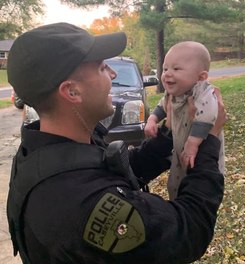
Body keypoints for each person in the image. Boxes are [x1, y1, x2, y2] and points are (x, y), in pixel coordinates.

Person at [6, 23, 226, 264]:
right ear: (72, 92)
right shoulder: (83, 202)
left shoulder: (46, 151)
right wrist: (209, 140)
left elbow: (116, 170)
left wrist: (170, 135)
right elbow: (189, 230)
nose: (112, 74)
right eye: (102, 67)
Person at [145, 41, 225, 200]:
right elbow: (162, 106)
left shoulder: (204, 93)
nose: (167, 73)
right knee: (175, 184)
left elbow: (208, 115)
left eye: (176, 69)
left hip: (203, 153)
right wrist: (152, 120)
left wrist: (193, 143)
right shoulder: (173, 93)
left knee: (198, 188)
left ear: (201, 77)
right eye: (165, 68)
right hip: (179, 152)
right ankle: (177, 202)